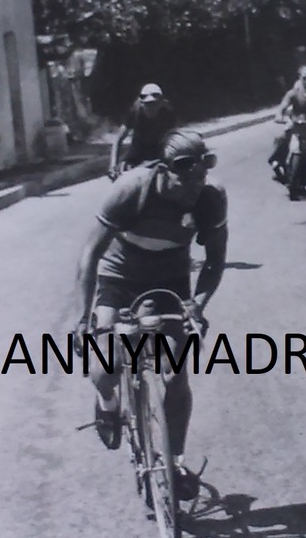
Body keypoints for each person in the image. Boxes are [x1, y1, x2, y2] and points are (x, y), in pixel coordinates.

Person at [67, 129, 228, 501]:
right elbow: (90, 254)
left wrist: (197, 306)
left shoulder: (210, 198)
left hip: (170, 282)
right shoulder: (132, 189)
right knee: (104, 366)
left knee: (176, 369)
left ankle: (174, 461)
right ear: (163, 170)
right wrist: (82, 319)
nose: (192, 189)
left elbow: (216, 260)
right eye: (184, 180)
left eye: (200, 179)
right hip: (118, 279)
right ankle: (108, 405)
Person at [110, 83, 177, 179]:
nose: (151, 108)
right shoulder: (135, 111)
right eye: (147, 104)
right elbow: (118, 139)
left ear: (161, 102)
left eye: (154, 104)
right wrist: (113, 166)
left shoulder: (169, 113)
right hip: (139, 147)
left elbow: (175, 138)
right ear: (141, 103)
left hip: (160, 147)